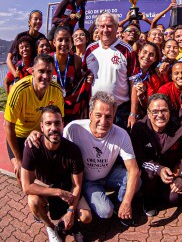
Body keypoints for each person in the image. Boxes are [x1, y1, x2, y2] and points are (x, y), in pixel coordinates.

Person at [63, 91, 140, 225]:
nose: (103, 121)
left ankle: (119, 206)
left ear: (114, 117)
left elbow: (133, 170)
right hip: (88, 180)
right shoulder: (74, 129)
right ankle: (93, 198)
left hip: (109, 174)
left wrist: (126, 202)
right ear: (90, 114)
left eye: (108, 116)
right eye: (98, 115)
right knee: (105, 211)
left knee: (136, 180)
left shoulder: (121, 134)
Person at [21, 106, 91, 242]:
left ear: (62, 124)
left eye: (57, 123)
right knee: (33, 201)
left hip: (68, 188)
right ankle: (50, 227)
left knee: (86, 217)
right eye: (48, 123)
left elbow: (76, 185)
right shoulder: (32, 148)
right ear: (41, 127)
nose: (53, 128)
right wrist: (58, 192)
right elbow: (27, 187)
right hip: (48, 187)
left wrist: (71, 211)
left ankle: (70, 223)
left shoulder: (73, 150)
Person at [130, 94, 182, 216]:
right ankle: (147, 199)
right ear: (148, 114)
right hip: (148, 174)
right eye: (155, 111)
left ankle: (162, 194)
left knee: (174, 199)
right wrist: (159, 169)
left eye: (164, 110)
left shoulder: (180, 128)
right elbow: (139, 159)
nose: (160, 115)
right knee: (149, 176)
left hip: (171, 174)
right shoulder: (139, 129)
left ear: (170, 111)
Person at [4, 54, 64, 184]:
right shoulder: (19, 90)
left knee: (51, 173)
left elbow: (58, 121)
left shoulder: (56, 90)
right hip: (18, 137)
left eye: (49, 72)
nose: (45, 76)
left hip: (40, 135)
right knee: (23, 178)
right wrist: (18, 161)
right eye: (41, 71)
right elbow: (7, 126)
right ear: (32, 71)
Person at [83, 12, 137, 130]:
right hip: (95, 110)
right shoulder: (90, 50)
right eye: (102, 26)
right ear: (97, 28)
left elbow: (134, 83)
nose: (105, 30)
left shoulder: (127, 50)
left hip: (120, 111)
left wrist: (132, 113)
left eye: (109, 26)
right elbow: (83, 77)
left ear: (117, 27)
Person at [129, 42, 167, 126]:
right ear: (139, 52)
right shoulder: (129, 67)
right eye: (144, 52)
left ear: (155, 58)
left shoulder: (154, 78)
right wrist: (132, 114)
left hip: (143, 114)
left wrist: (142, 96)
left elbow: (150, 105)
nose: (146, 57)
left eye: (151, 54)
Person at [6, 10, 46, 78]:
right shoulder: (20, 36)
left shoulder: (42, 38)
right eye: (35, 19)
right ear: (29, 22)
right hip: (20, 71)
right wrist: (15, 74)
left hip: (34, 74)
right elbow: (8, 59)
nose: (38, 21)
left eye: (40, 19)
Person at [52, 26, 82, 98]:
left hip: (69, 104)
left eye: (67, 40)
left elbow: (78, 83)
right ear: (54, 42)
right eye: (60, 40)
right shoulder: (48, 60)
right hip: (50, 104)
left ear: (71, 42)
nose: (64, 43)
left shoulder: (76, 60)